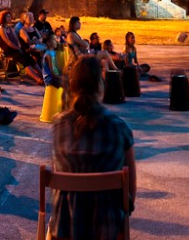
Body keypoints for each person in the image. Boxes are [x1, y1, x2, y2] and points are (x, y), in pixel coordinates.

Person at [51, 55, 136, 239]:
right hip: (107, 227)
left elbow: (58, 180)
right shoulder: (119, 127)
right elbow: (130, 193)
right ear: (100, 85)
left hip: (65, 226)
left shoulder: (58, 125)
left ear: (72, 86)